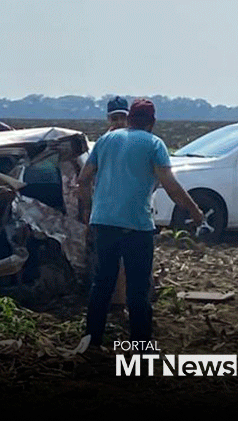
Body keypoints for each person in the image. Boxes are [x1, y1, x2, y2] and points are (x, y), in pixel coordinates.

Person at [78, 98, 203, 346]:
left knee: (102, 283)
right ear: (152, 122)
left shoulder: (105, 140)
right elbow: (170, 185)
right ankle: (140, 346)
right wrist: (194, 210)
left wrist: (89, 210)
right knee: (137, 288)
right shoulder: (154, 144)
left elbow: (83, 180)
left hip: (104, 223)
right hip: (137, 226)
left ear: (129, 119)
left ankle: (92, 340)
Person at [104, 96, 130, 311]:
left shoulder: (135, 140)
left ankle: (124, 300)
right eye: (115, 117)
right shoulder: (105, 142)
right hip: (108, 210)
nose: (119, 122)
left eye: (123, 117)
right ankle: (116, 302)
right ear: (108, 119)